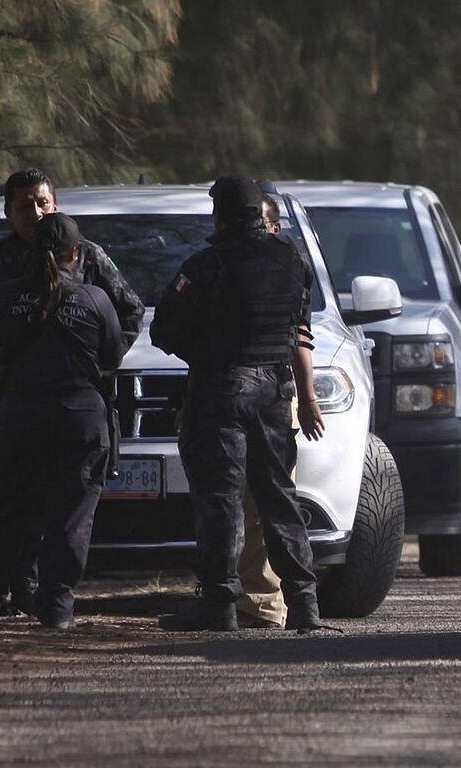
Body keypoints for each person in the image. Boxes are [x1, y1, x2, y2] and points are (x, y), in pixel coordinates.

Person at [0, 168, 144, 618]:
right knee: (14, 505)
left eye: (42, 203)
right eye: (25, 205)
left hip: (70, 399)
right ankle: (1, 595)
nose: (35, 212)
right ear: (8, 212)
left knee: (55, 507)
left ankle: (39, 593)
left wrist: (93, 359)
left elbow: (128, 311)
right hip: (15, 401)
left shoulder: (90, 258)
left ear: (54, 205)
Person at [152, 175, 327, 634]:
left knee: (221, 501)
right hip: (275, 391)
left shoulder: (207, 265)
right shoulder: (292, 259)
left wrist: (208, 350)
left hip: (221, 392)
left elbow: (164, 331)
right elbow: (298, 323)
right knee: (278, 498)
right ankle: (305, 606)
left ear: (220, 216)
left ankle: (219, 604)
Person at [230, 186, 328, 629]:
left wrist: (307, 398)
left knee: (268, 503)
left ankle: (270, 604)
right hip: (247, 397)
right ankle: (260, 602)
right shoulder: (234, 265)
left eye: (271, 224)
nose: (268, 231)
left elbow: (300, 337)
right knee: (248, 507)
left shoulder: (287, 266)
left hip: (273, 397)